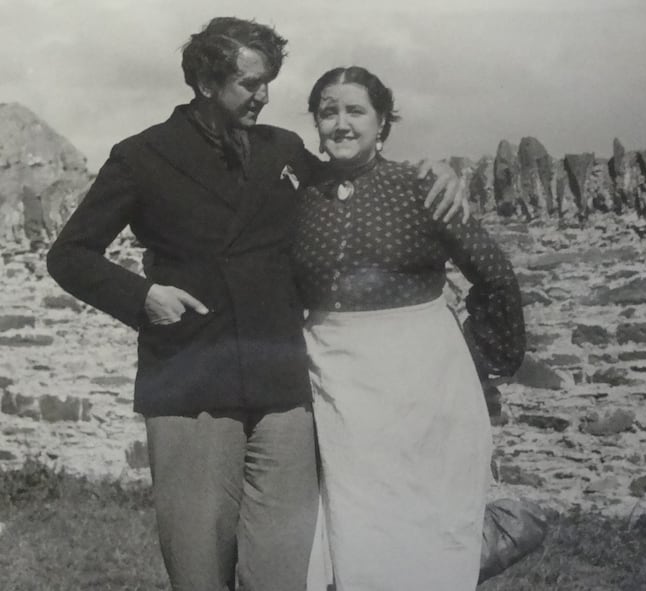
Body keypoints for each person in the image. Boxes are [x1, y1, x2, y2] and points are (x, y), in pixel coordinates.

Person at [46, 18, 465, 591]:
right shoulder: (142, 156)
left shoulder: (284, 150)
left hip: (281, 386)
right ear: (205, 82)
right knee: (199, 569)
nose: (264, 94)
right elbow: (69, 255)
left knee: (287, 570)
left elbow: (354, 185)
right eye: (249, 83)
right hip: (190, 379)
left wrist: (433, 171)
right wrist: (143, 297)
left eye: (268, 80)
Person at [292, 66, 527, 591]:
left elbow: (493, 273)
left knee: (422, 521)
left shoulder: (421, 186)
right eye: (328, 111)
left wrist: (477, 360)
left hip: (420, 377)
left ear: (382, 125)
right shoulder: (298, 197)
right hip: (333, 376)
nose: (341, 123)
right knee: (350, 519)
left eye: (356, 111)